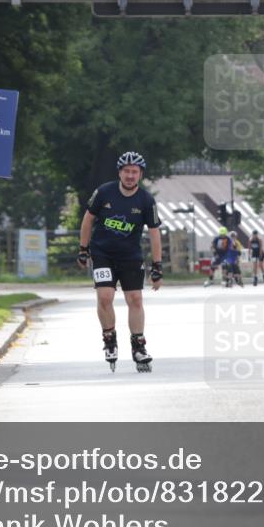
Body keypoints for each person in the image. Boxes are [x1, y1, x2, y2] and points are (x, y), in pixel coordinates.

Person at [77, 151, 163, 373]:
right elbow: (88, 220)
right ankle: (109, 338)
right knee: (105, 297)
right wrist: (83, 249)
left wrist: (157, 266)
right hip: (102, 253)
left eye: (135, 172)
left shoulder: (145, 200)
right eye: (127, 171)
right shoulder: (104, 192)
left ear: (140, 174)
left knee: (135, 299)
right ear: (120, 173)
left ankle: (138, 346)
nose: (130, 176)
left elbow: (154, 233)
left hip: (130, 255)